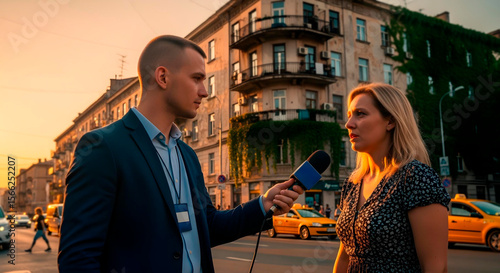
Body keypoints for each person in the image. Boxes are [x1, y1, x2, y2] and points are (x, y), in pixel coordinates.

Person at [58, 35, 304, 273]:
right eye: (197, 78)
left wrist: (263, 205)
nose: (204, 91)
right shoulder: (104, 147)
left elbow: (207, 226)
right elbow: (78, 258)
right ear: (163, 77)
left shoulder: (187, 154)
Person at [333, 83, 450, 273]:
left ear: (390, 121)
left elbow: (436, 266)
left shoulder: (415, 178)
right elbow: (344, 258)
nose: (349, 124)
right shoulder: (353, 183)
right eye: (349, 115)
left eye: (360, 114)